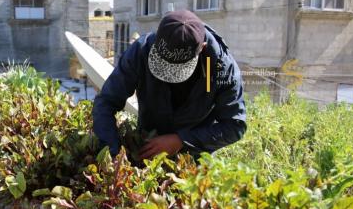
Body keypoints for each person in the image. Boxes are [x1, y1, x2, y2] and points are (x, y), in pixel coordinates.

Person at [93, 10, 246, 159]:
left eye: (177, 70)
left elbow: (234, 126)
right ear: (157, 39)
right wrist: (112, 154)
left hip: (195, 155)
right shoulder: (141, 51)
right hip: (147, 144)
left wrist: (182, 140)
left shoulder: (222, 69)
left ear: (202, 48)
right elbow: (106, 102)